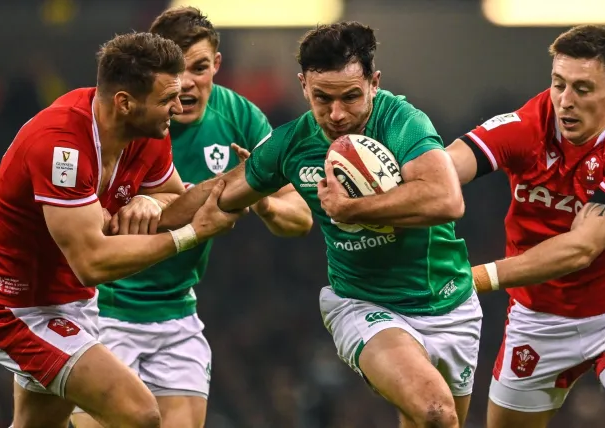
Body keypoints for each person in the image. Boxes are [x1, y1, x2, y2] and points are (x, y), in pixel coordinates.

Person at [158, 21, 482, 428]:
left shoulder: (402, 122)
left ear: (374, 82)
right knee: (435, 412)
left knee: (431, 421)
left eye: (350, 97)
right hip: (365, 304)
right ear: (303, 86)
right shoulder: (291, 143)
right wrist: (147, 216)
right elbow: (221, 190)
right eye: (322, 98)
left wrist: (353, 209)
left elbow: (446, 199)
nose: (336, 114)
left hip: (451, 305)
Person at [0, 32, 243, 428]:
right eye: (167, 98)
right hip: (20, 310)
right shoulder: (60, 146)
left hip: (77, 304)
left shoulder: (146, 134)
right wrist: (190, 236)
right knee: (139, 413)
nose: (178, 104)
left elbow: (174, 198)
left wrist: (231, 183)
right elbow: (91, 263)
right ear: (125, 103)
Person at [70, 8, 312, 428]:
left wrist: (265, 203)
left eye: (199, 68)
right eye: (175, 73)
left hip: (177, 312)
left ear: (217, 64)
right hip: (104, 310)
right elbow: (82, 219)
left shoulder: (239, 118)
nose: (186, 85)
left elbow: (301, 217)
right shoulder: (125, 115)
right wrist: (148, 199)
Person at [447, 25, 605, 428]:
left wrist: (476, 278)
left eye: (582, 89)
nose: (565, 102)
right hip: (537, 316)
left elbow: (580, 249)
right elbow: (450, 166)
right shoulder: (527, 125)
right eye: (559, 85)